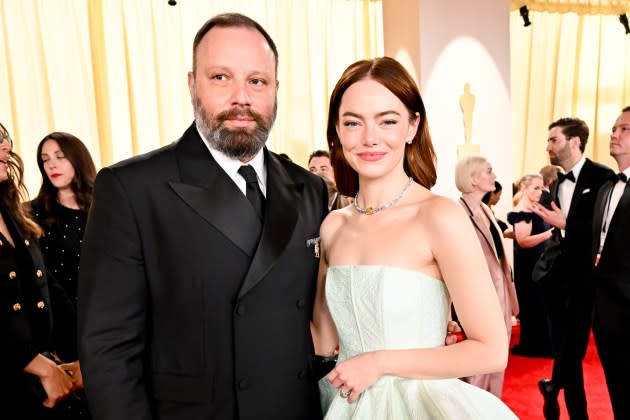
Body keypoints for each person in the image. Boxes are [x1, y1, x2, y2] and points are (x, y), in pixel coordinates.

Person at [78, 14, 329, 420]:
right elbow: (108, 348)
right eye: (221, 78)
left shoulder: (309, 189)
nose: (241, 97)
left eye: (257, 81)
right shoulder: (132, 188)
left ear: (276, 90)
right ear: (192, 84)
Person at [310, 57, 516, 418]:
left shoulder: (438, 216)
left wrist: (379, 362)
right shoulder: (333, 226)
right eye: (353, 123)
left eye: (387, 121)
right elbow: (323, 341)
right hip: (347, 404)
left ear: (412, 126)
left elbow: (491, 349)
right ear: (338, 133)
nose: (370, 138)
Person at [531, 117, 613, 419]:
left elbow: (603, 228)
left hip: (586, 280)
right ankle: (565, 401)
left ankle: (556, 391)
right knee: (566, 349)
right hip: (554, 278)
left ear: (574, 141)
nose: (548, 146)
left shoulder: (603, 177)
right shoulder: (556, 181)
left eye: (554, 139)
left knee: (573, 350)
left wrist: (566, 225)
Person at [0, 122, 83, 419]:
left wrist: (75, 357)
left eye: (6, 140)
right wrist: (39, 366)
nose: (6, 147)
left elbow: (50, 288)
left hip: (45, 379)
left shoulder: (11, 213)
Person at [455, 156, 519, 397]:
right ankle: (473, 407)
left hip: (500, 292)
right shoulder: (458, 212)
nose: (494, 176)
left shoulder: (485, 209)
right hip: (479, 296)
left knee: (499, 357)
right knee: (481, 358)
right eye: (488, 171)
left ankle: (492, 406)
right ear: (473, 178)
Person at [591, 106, 630, 419]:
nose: (614, 134)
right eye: (615, 128)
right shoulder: (606, 187)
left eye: (624, 129)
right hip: (605, 311)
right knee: (618, 388)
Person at [28, 132, 97, 309]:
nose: (51, 165)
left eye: (60, 157)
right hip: (59, 320)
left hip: (105, 313)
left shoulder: (106, 207)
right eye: (45, 159)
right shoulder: (30, 214)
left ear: (78, 160)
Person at [507, 174, 553, 358]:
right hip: (528, 263)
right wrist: (549, 234)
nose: (540, 191)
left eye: (541, 187)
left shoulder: (534, 208)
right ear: (524, 189)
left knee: (541, 303)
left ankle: (542, 344)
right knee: (532, 303)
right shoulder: (522, 211)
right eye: (535, 187)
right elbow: (523, 241)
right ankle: (534, 346)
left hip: (538, 261)